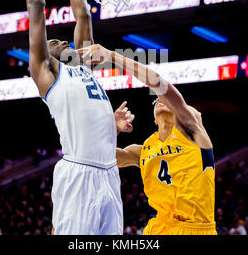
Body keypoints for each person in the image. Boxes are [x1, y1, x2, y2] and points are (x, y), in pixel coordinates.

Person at [22, 0, 134, 235]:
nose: (60, 40)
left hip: (109, 175)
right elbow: (36, 6)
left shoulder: (83, 64)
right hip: (78, 174)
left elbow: (83, 14)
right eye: (53, 41)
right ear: (45, 53)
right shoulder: (46, 73)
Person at [77, 43, 217, 235]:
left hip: (195, 228)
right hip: (158, 229)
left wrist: (112, 56)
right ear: (153, 119)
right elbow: (94, 156)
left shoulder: (193, 134)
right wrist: (112, 129)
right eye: (156, 101)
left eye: (166, 100)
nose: (160, 100)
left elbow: (159, 84)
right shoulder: (143, 150)